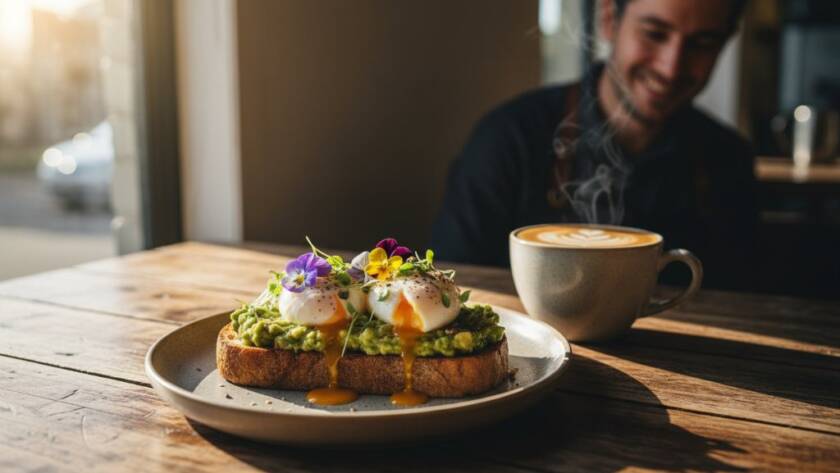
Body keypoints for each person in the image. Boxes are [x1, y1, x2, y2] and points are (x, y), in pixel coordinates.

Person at [431, 0, 757, 291]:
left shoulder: (729, 160)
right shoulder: (509, 138)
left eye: (702, 43)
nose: (671, 67)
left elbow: (745, 298)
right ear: (608, 19)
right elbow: (451, 283)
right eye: (654, 34)